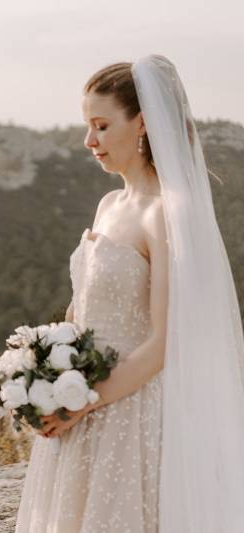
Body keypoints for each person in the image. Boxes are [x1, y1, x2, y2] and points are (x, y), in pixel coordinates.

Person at [15, 56, 244, 532]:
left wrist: (82, 401)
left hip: (131, 413)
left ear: (141, 123)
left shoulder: (164, 214)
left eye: (101, 125)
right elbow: (80, 312)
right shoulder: (108, 204)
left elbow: (162, 343)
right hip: (80, 411)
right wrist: (43, 376)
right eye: (87, 126)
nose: (89, 141)